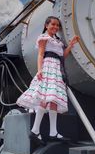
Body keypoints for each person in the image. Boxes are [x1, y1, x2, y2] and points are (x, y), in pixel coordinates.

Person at [16, 16, 79, 144]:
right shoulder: (44, 38)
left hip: (57, 68)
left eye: (57, 25)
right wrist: (40, 70)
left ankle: (53, 132)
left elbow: (62, 56)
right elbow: (40, 54)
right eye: (53, 24)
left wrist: (71, 45)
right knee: (44, 97)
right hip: (48, 66)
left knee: (53, 99)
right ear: (46, 25)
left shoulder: (58, 41)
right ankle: (35, 130)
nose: (56, 27)